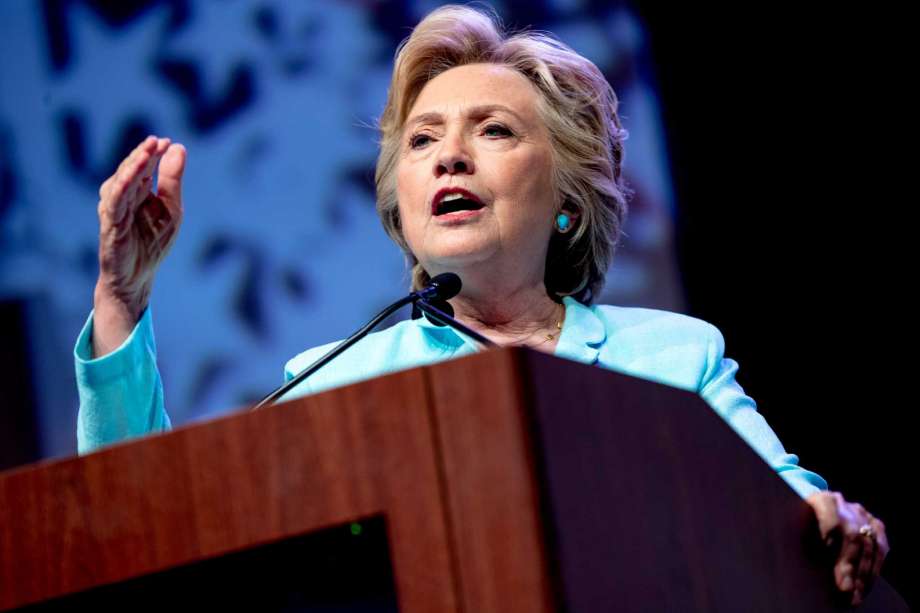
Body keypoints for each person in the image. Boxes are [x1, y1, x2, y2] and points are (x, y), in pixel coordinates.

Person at [73, 4, 888, 606]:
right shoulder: (332, 382)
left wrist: (822, 513)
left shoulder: (676, 353)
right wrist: (121, 296)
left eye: (492, 130)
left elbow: (785, 499)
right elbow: (157, 529)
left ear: (567, 200)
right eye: (422, 141)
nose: (448, 155)